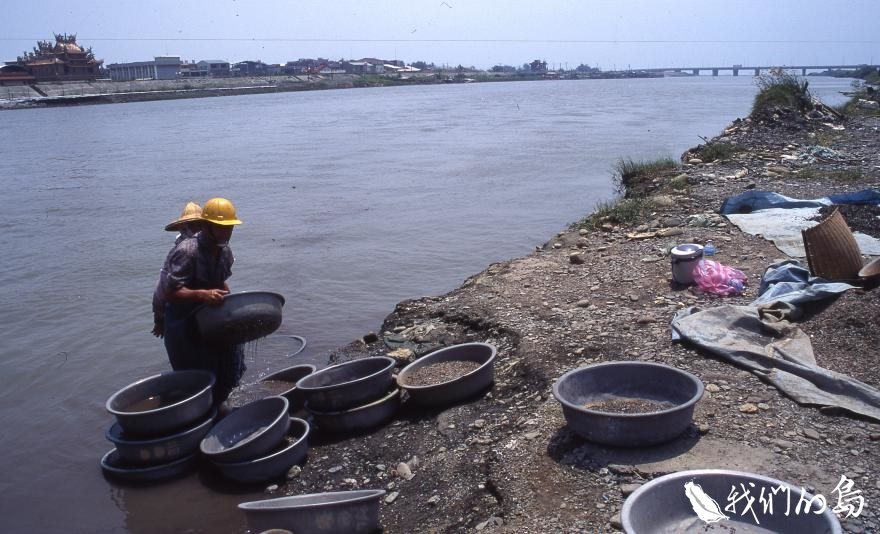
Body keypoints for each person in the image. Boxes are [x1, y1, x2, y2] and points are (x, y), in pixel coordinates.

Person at [163, 197, 245, 407]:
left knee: (225, 374)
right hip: (184, 325)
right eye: (221, 228)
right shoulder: (187, 251)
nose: (227, 233)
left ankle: (220, 414)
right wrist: (201, 295)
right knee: (194, 382)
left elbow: (220, 281)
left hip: (212, 321)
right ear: (207, 227)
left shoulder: (225, 252)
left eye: (229, 228)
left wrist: (232, 301)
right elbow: (170, 292)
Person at [151, 202, 203, 338]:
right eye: (194, 225)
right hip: (180, 315)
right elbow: (161, 289)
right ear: (184, 228)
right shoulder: (181, 252)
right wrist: (159, 320)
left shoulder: (210, 248)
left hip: (203, 311)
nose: (198, 231)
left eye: (200, 225)